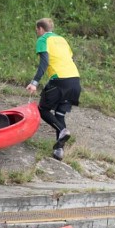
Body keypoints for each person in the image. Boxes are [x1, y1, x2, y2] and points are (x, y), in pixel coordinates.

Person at [26, 18, 82, 161]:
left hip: (60, 81)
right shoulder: (62, 39)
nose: (37, 33)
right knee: (60, 114)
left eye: (36, 30)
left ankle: (63, 130)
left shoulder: (43, 40)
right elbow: (69, 58)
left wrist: (34, 82)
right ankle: (59, 151)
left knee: (42, 109)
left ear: (40, 29)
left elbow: (44, 62)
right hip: (75, 81)